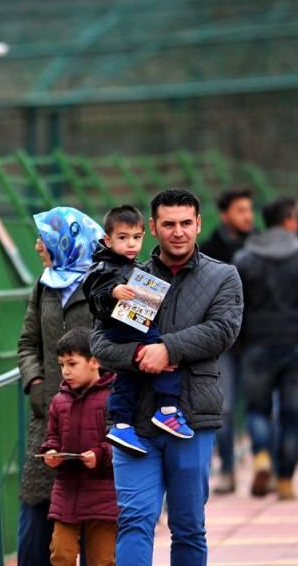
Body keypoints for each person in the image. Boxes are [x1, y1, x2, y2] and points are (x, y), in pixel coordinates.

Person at [92, 188, 243, 566]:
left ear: (198, 225)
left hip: (191, 418)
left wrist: (169, 349)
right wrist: (141, 354)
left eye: (186, 223)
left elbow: (222, 330)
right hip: (134, 422)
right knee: (135, 520)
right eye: (169, 224)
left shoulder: (223, 276)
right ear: (153, 228)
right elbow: (99, 343)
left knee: (189, 525)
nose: (179, 232)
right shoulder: (130, 279)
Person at [18, 206, 104, 565]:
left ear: (66, 242)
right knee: (37, 517)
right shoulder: (44, 285)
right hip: (50, 419)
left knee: (95, 521)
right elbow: (27, 343)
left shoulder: (105, 284)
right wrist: (35, 382)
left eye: (44, 238)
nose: (38, 245)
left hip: (98, 418)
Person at [234, 197, 298, 501]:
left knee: (257, 408)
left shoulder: (245, 259)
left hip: (256, 345)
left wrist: (239, 344)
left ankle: (262, 454)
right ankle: (286, 480)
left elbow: (235, 307)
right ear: (290, 220)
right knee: (292, 414)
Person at [84, 205, 193, 457]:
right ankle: (167, 409)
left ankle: (121, 424)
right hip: (123, 328)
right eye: (122, 238)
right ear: (107, 240)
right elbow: (93, 296)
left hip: (134, 324)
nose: (130, 244)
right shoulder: (103, 267)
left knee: (127, 377)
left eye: (136, 237)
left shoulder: (135, 265)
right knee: (165, 354)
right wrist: (112, 293)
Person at [40, 327, 118, 566]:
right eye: (62, 364)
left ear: (94, 362)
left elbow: (120, 440)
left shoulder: (113, 397)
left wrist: (100, 455)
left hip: (103, 491)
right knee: (61, 554)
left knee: (102, 559)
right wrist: (50, 453)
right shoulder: (59, 401)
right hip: (67, 490)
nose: (65, 371)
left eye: (72, 364)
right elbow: (52, 436)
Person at [199, 186, 256, 494]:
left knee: (262, 404)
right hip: (222, 341)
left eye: (249, 210)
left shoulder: (262, 246)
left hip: (257, 338)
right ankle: (228, 470)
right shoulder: (209, 250)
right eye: (240, 210)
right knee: (225, 407)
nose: (248, 216)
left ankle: (268, 464)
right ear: (225, 215)